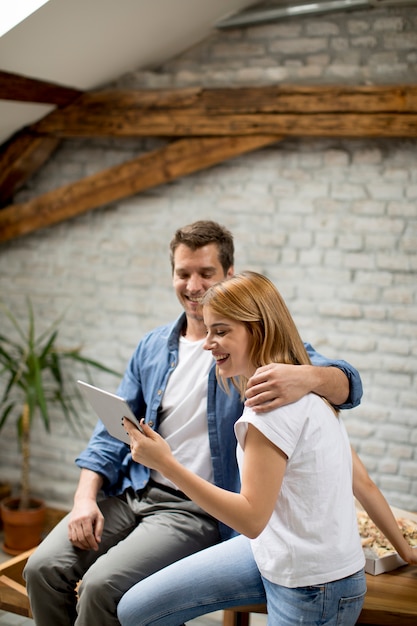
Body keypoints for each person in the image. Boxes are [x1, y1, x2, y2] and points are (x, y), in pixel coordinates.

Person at [24, 221, 363, 626]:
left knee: (102, 588)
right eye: (183, 273)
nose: (193, 285)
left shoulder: (252, 349)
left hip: (195, 509)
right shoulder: (152, 346)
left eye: (206, 273)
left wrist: (308, 376)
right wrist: (83, 499)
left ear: (229, 276)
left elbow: (347, 383)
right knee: (42, 568)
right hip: (135, 491)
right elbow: (110, 434)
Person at [120, 271, 417, 626]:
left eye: (221, 331)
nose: (207, 343)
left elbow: (250, 519)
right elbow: (363, 482)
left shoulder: (271, 410)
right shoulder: (304, 387)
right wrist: (406, 551)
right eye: (209, 330)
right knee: (134, 609)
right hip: (268, 554)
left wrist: (167, 465)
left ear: (257, 330)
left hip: (314, 586)